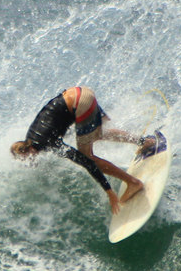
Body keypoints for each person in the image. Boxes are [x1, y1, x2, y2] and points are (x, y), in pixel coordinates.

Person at [10, 86, 156, 215]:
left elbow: (87, 162)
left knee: (88, 155)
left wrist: (109, 192)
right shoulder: (31, 136)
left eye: (27, 158)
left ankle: (133, 183)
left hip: (81, 104)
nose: (30, 161)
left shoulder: (46, 143)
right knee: (98, 133)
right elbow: (54, 123)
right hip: (80, 93)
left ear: (27, 151)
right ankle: (145, 142)